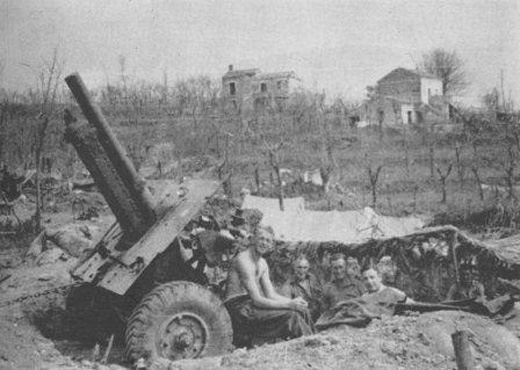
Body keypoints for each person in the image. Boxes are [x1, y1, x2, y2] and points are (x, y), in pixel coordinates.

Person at [224, 226, 315, 343]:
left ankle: (318, 341)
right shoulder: (243, 260)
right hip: (238, 309)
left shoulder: (262, 263)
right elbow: (257, 300)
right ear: (253, 239)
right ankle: (312, 346)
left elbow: (271, 294)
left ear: (271, 245)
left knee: (303, 310)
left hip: (250, 305)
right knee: (292, 316)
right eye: (261, 239)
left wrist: (295, 302)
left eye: (268, 241)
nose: (264, 243)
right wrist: (289, 304)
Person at [284, 256, 322, 322]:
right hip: (302, 317)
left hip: (317, 315)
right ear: (294, 268)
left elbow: (321, 299)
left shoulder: (313, 278)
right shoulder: (290, 283)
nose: (302, 271)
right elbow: (288, 303)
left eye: (305, 267)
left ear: (308, 268)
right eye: (299, 267)